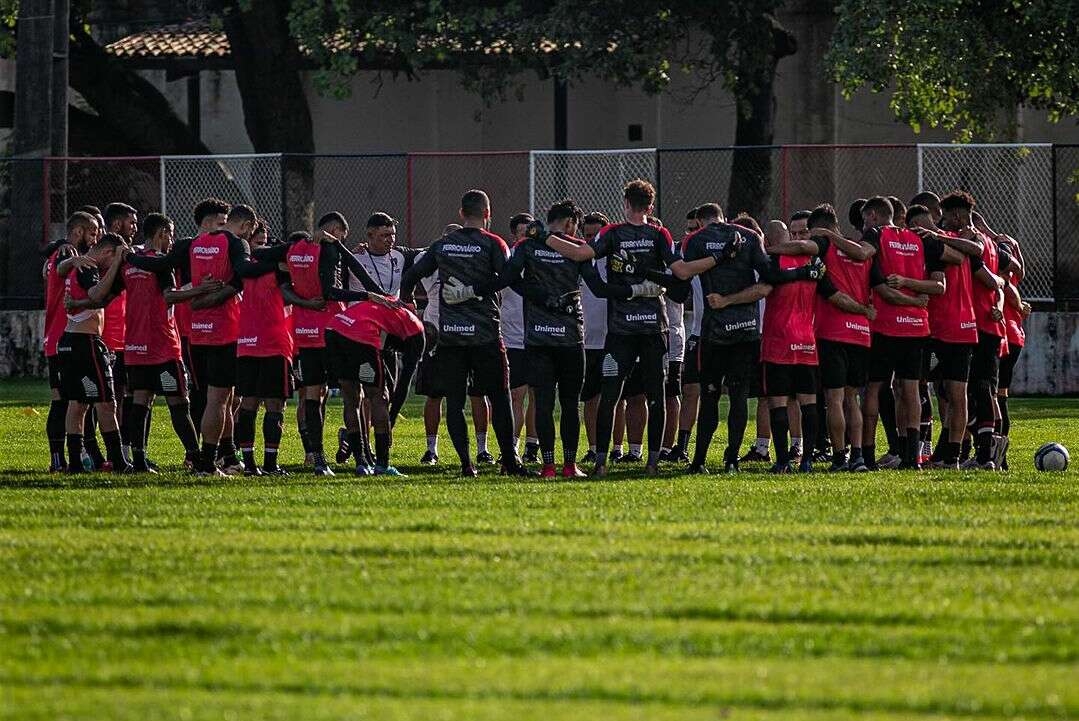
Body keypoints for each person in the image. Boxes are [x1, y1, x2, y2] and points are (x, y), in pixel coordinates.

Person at [541, 180, 676, 476]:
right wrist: (654, 285)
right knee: (655, 395)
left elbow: (579, 255)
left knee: (610, 394)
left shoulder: (611, 233)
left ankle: (601, 463)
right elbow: (678, 273)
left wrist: (547, 237)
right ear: (650, 207)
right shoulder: (660, 234)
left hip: (620, 332)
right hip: (655, 329)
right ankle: (652, 463)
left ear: (625, 203)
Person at [125, 204, 266, 475]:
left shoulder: (190, 245)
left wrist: (131, 258)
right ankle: (208, 462)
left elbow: (159, 264)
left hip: (196, 333)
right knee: (220, 400)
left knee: (211, 398)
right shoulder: (237, 244)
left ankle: (223, 459)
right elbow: (242, 276)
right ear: (247, 227)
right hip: (225, 331)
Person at [400, 189, 532, 477]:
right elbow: (508, 278)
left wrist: (408, 305)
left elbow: (410, 275)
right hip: (486, 334)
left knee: (455, 402)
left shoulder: (443, 245)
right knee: (499, 396)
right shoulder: (494, 243)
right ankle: (510, 461)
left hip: (451, 337)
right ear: (488, 214)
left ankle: (466, 464)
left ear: (461, 213)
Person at [282, 213, 387, 476]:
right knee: (353, 395)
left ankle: (317, 459)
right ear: (336, 230)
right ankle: (361, 460)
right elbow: (331, 290)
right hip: (334, 330)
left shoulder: (294, 249)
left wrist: (301, 301)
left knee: (312, 395)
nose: (342, 239)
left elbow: (273, 271)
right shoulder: (329, 251)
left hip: (305, 332)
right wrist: (368, 294)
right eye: (342, 233)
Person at [860, 195, 948, 470]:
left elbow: (881, 288)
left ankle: (868, 454)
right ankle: (912, 457)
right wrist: (916, 297)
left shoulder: (875, 236)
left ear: (873, 215)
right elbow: (939, 286)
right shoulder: (920, 239)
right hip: (917, 327)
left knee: (875, 388)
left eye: (865, 219)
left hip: (885, 326)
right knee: (911, 389)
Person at [119, 213, 207, 472]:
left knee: (140, 403)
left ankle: (138, 460)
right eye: (171, 234)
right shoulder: (160, 264)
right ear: (161, 234)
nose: (172, 240)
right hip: (163, 347)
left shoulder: (130, 265)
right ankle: (195, 457)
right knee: (179, 403)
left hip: (135, 346)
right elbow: (170, 296)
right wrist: (202, 289)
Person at [804, 204, 877, 471]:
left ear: (820, 228)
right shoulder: (861, 251)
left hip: (833, 332)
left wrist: (859, 309)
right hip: (861, 335)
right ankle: (857, 455)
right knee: (852, 398)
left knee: (834, 399)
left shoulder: (823, 249)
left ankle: (839, 456)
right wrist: (865, 311)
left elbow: (832, 295)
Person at [906, 203, 979, 469]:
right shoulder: (959, 242)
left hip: (943, 328)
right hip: (963, 326)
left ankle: (935, 454)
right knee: (951, 394)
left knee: (923, 389)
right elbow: (973, 256)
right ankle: (949, 456)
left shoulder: (937, 243)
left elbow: (945, 277)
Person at [58, 233, 130, 473]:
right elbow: (97, 295)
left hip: (70, 341)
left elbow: (96, 301)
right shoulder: (89, 266)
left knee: (77, 404)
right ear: (108, 253)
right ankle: (119, 462)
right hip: (85, 343)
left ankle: (76, 464)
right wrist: (117, 264)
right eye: (114, 259)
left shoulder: (78, 266)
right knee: (105, 404)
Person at [234, 222, 298, 476]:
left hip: (248, 343)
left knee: (249, 404)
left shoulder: (242, 269)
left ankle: (254, 464)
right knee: (271, 406)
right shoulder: (279, 268)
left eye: (266, 241)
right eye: (258, 241)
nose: (263, 246)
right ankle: (265, 464)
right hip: (273, 344)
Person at [42, 211, 100, 471]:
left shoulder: (65, 253)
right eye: (92, 232)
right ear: (78, 232)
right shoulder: (67, 254)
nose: (95, 237)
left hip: (61, 338)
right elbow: (61, 268)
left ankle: (72, 458)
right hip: (61, 338)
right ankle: (60, 460)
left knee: (72, 401)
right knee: (65, 401)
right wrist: (73, 262)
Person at [102, 202, 139, 463]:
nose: (135, 227)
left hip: (130, 340)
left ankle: (129, 453)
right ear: (117, 224)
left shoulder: (133, 255)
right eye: (131, 222)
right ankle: (93, 453)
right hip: (107, 339)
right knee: (103, 400)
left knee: (130, 398)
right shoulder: (102, 254)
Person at [667, 208, 704, 464]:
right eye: (688, 229)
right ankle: (682, 446)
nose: (690, 234)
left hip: (727, 332)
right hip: (697, 333)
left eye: (695, 229)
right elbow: (680, 293)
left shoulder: (723, 255)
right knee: (690, 389)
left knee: (730, 395)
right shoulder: (681, 254)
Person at [503, 213, 541, 463]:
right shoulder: (505, 259)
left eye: (531, 231)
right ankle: (512, 447)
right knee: (516, 394)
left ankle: (532, 447)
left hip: (539, 335)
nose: (527, 236)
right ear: (514, 235)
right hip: (513, 336)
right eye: (522, 231)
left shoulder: (542, 258)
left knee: (538, 394)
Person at [578, 211, 614, 465]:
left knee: (617, 398)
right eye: (587, 235)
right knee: (590, 398)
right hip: (587, 341)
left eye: (595, 235)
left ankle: (620, 447)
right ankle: (593, 447)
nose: (591, 240)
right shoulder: (581, 259)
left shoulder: (614, 258)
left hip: (614, 338)